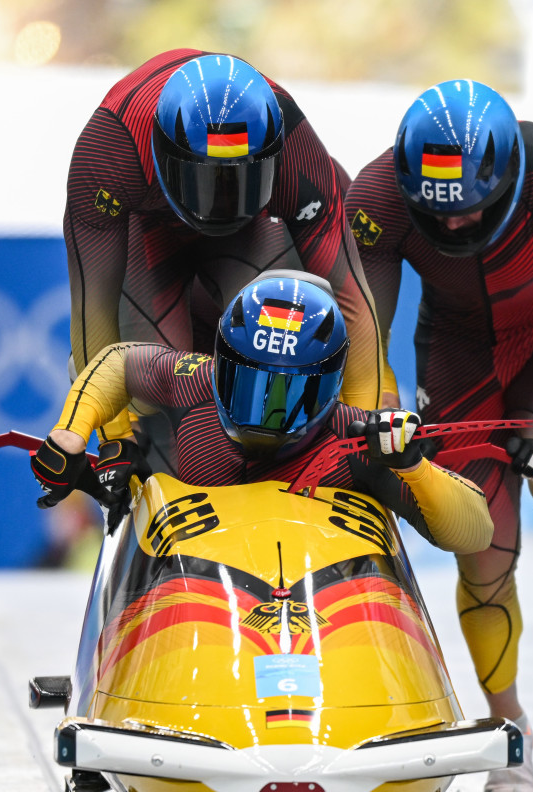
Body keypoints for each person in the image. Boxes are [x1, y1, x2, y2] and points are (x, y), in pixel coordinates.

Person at [345, 79, 533, 792]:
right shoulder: (377, 199)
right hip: (455, 350)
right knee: (478, 546)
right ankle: (509, 725)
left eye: (475, 208)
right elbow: (364, 335)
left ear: (509, 176)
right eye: (437, 212)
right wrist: (383, 408)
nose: (455, 226)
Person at [62, 49, 394, 482]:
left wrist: (355, 438)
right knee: (157, 395)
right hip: (149, 230)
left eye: (240, 179)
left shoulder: (297, 148)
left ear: (272, 158)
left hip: (253, 233)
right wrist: (117, 438)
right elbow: (94, 307)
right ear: (163, 154)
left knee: (281, 342)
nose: (219, 201)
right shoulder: (110, 149)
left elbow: (350, 302)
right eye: (202, 180)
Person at [30, 271, 493, 563]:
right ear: (223, 365)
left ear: (330, 385)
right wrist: (72, 434)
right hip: (195, 600)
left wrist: (414, 466)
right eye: (252, 385)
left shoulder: (356, 441)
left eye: (292, 393)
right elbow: (115, 364)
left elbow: (474, 532)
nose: (268, 415)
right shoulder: (194, 380)